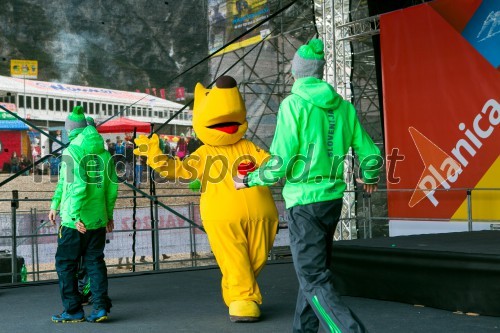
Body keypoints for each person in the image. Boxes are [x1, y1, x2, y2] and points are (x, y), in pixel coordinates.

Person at [234, 39, 382, 333]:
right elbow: (369, 152)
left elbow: (282, 160)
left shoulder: (293, 104)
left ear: (296, 72)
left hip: (304, 202)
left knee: (312, 277)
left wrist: (249, 179)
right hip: (331, 200)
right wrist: (370, 176)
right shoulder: (343, 107)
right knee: (313, 275)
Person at [135, 76, 279, 322]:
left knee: (256, 259)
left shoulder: (250, 146)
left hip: (263, 217)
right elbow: (177, 170)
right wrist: (155, 155)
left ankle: (237, 292)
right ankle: (244, 299)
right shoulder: (204, 153)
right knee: (236, 259)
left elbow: (272, 165)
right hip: (223, 219)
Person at [49, 105, 118, 323]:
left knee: (66, 265)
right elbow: (111, 189)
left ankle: (73, 310)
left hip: (73, 222)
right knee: (95, 262)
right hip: (97, 220)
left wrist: (73, 216)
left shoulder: (71, 151)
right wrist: (108, 216)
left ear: (70, 131)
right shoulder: (105, 154)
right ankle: (100, 309)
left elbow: (74, 185)